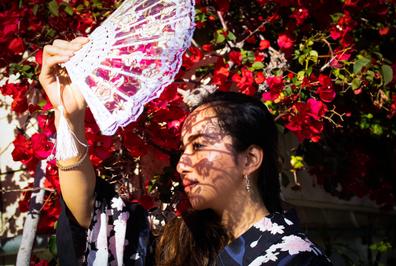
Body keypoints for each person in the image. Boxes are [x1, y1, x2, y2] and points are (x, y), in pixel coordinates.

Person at [39, 38, 333, 265]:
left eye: (199, 145)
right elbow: (94, 221)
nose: (182, 164)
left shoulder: (296, 258)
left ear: (250, 159)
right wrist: (68, 117)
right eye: (183, 149)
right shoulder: (182, 244)